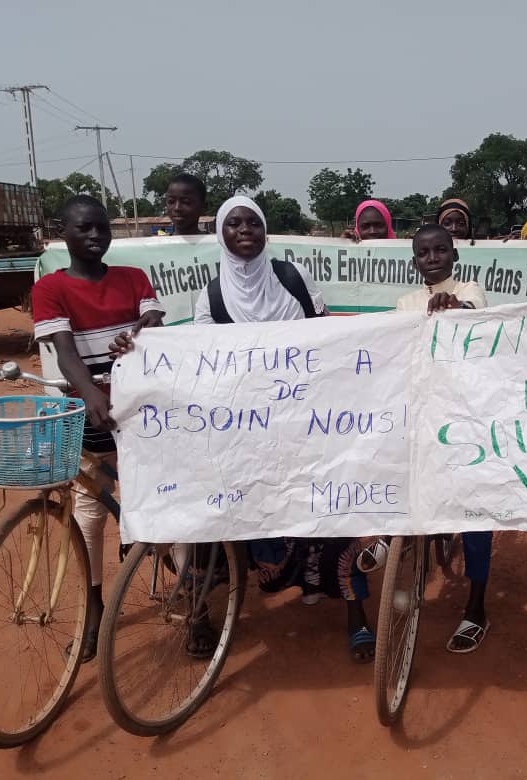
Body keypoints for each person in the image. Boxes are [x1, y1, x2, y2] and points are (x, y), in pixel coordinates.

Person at [135, 195, 376, 663]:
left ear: (265, 231)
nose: (245, 230)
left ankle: (355, 613)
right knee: (223, 509)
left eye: (253, 223)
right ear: (221, 234)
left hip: (304, 422)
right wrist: (139, 345)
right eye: (234, 224)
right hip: (242, 430)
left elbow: (325, 337)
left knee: (329, 511)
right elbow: (198, 360)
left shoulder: (291, 278)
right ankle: (203, 607)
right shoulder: (210, 295)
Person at [31, 195, 165, 662]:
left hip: (141, 412)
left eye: (102, 228)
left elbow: (152, 319)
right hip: (91, 414)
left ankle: (190, 600)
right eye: (84, 228)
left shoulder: (132, 279)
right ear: (63, 231)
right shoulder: (51, 288)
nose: (94, 236)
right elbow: (65, 350)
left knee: (163, 498)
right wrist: (90, 393)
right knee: (89, 507)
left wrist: (146, 324)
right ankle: (93, 607)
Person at [396, 224, 492, 653]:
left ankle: (477, 606)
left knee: (475, 513)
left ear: (453, 254)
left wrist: (454, 306)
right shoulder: (404, 304)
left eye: (440, 250)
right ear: (414, 259)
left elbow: (474, 312)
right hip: (424, 415)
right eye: (423, 252)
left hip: (467, 416)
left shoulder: (470, 289)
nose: (432, 258)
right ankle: (399, 551)